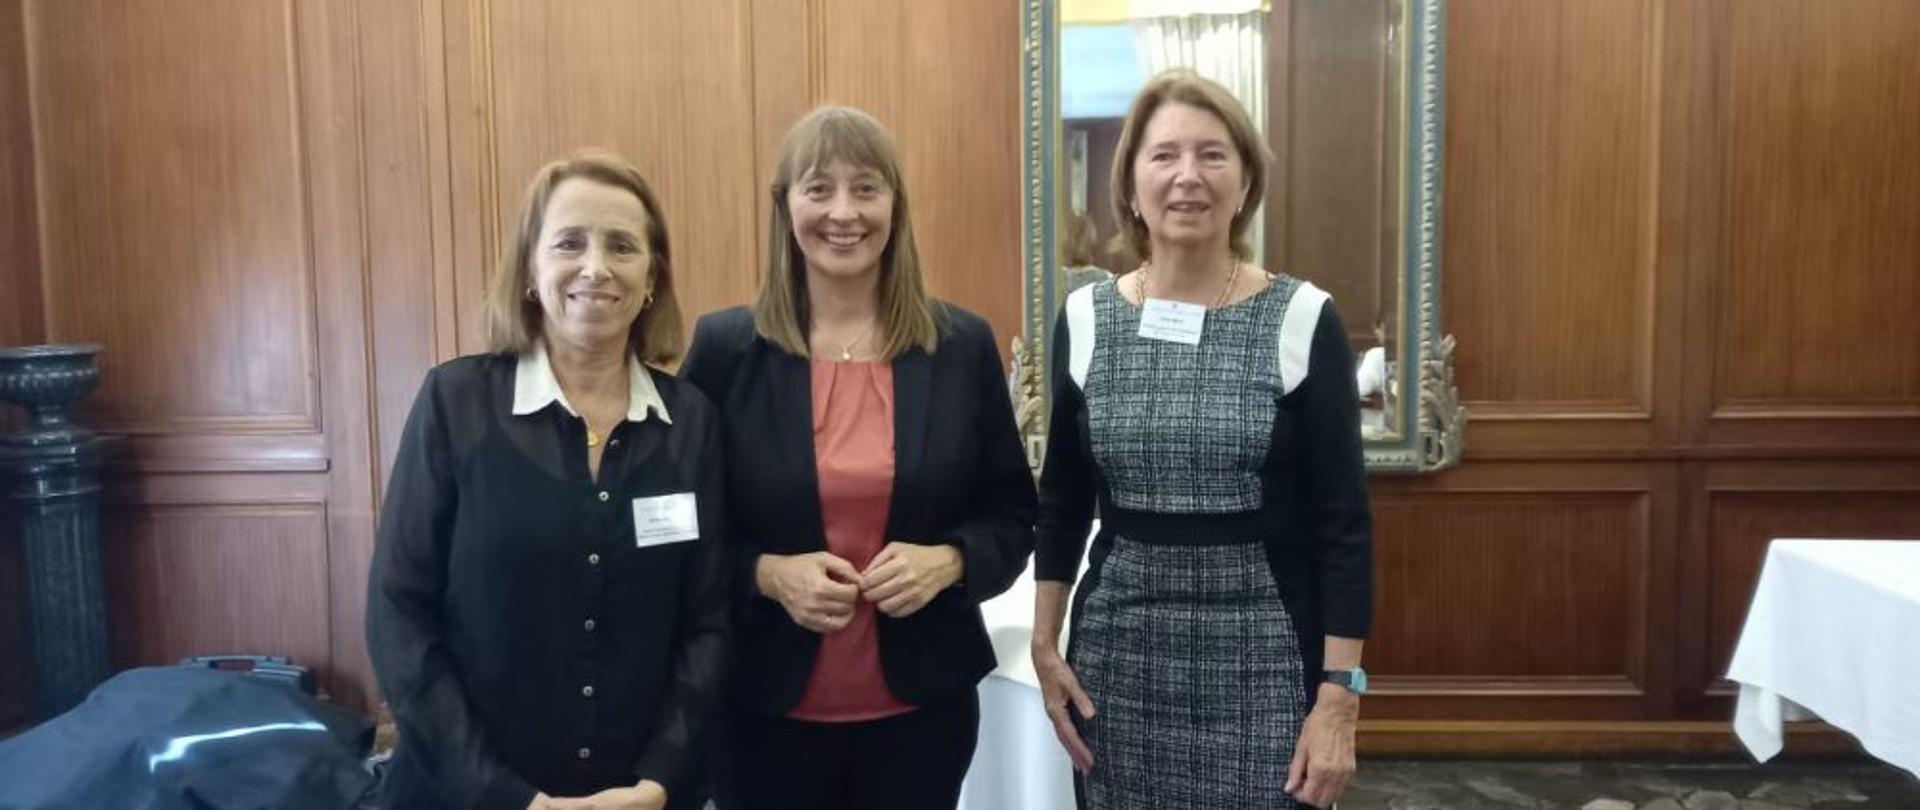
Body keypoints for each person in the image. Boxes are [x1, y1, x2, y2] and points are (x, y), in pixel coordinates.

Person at [1031, 70, 1375, 809]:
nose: (1188, 176)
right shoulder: (1085, 318)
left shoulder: (1303, 318)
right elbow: (1060, 503)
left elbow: (1342, 525)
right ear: (1130, 182)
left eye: (1213, 154)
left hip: (1268, 662)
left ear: (1246, 178)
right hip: (1117, 667)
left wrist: (1339, 698)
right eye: (1164, 156)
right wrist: (1042, 645)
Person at [680, 105, 1036, 810]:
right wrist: (766, 573)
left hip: (923, 715)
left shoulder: (961, 345)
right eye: (818, 188)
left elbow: (1015, 516)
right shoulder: (725, 352)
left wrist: (953, 561)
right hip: (760, 710)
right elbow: (681, 527)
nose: (844, 211)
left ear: (896, 207)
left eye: (866, 188)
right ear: (785, 208)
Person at [367, 150, 729, 810]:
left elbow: (709, 620)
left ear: (651, 277)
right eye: (569, 242)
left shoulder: (691, 423)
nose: (596, 267)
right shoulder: (456, 404)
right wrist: (506, 797)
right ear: (532, 267)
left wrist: (661, 780)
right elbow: (398, 615)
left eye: (622, 245)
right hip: (464, 795)